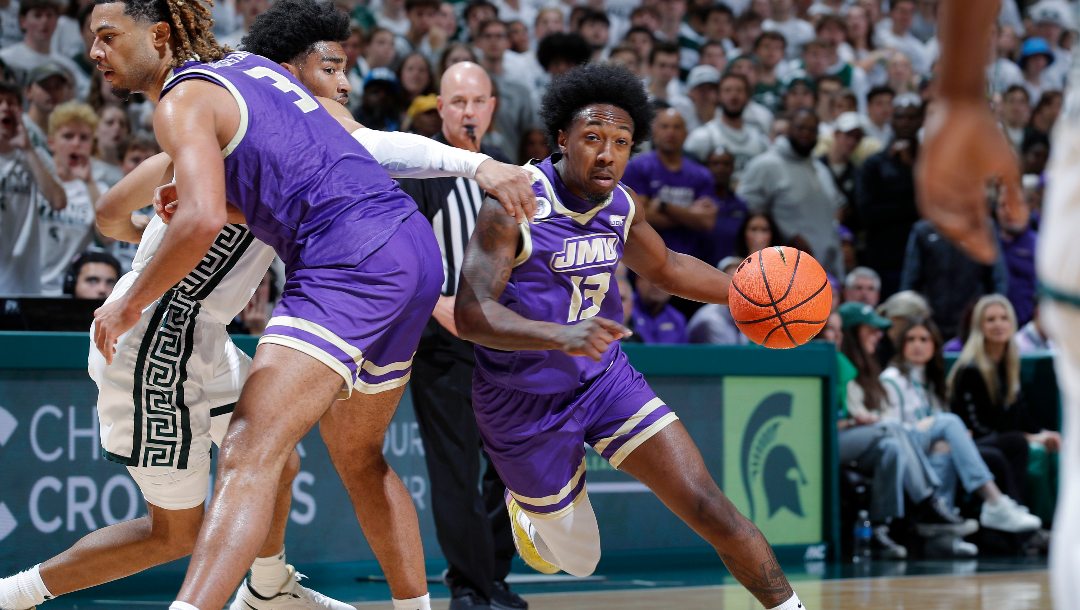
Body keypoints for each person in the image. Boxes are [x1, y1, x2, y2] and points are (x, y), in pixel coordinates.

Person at [82, 2, 536, 610]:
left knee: (248, 453)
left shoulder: (182, 100)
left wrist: (127, 304)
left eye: (109, 37)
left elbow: (200, 219)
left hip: (346, 259)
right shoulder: (253, 71)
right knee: (359, 457)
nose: (95, 53)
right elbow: (313, 169)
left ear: (159, 35)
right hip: (409, 246)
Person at [455, 62, 806, 610]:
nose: (606, 154)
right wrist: (563, 335)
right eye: (592, 139)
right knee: (579, 560)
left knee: (708, 505)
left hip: (603, 379)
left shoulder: (620, 205)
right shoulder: (513, 205)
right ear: (563, 139)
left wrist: (747, 294)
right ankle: (528, 510)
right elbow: (473, 316)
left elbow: (666, 267)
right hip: (521, 403)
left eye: (620, 142)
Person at [395, 61, 526, 610]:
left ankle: (494, 578)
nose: (468, 111)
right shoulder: (422, 174)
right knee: (455, 471)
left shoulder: (514, 177)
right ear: (441, 108)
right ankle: (469, 589)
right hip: (444, 347)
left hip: (506, 347)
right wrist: (440, 305)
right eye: (458, 102)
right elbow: (403, 261)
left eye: (478, 101)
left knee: (508, 472)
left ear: (492, 106)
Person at [878, 315, 1042, 536]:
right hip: (904, 448)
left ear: (934, 345)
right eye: (911, 339)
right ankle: (994, 501)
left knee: (947, 450)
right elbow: (889, 431)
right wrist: (928, 428)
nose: (918, 345)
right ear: (901, 345)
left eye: (924, 340)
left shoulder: (933, 383)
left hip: (929, 449)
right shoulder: (891, 379)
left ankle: (942, 526)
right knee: (950, 422)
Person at [835, 302, 975, 559]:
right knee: (917, 426)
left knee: (892, 448)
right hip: (838, 440)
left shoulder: (871, 371)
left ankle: (880, 530)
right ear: (853, 333)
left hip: (878, 440)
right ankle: (930, 503)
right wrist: (857, 422)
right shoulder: (841, 365)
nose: (879, 336)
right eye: (871, 331)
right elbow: (830, 417)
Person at [948, 294, 1061, 523]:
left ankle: (1048, 525)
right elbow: (979, 427)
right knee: (1020, 446)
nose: (998, 324)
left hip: (1006, 439)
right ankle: (1023, 519)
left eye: (1003, 318)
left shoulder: (1009, 365)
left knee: (1053, 446)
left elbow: (1022, 414)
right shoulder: (969, 369)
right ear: (979, 326)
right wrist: (1030, 438)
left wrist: (1042, 434)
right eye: (990, 320)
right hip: (971, 443)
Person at [738, 108, 846, 279]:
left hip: (825, 266)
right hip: (783, 271)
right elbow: (750, 215)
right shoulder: (765, 165)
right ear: (789, 129)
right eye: (801, 128)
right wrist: (786, 236)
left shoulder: (820, 169)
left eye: (812, 130)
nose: (806, 134)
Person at [0, 80, 65, 296]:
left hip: (23, 281)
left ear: (20, 112)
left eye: (11, 102)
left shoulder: (35, 156)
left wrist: (27, 149)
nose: (5, 107)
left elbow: (58, 201)